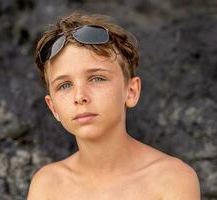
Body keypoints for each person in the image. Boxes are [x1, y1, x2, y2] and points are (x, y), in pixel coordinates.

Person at [27, 11, 201, 200]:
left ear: (131, 91)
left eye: (97, 78)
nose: (80, 96)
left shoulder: (172, 179)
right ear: (53, 108)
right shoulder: (48, 185)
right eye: (65, 85)